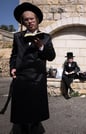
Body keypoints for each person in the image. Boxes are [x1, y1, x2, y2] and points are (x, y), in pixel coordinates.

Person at [9, 2, 56, 133]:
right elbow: (14, 55)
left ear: (37, 20)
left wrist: (41, 47)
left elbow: (51, 56)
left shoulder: (46, 38)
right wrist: (12, 67)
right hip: (21, 79)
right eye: (26, 19)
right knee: (21, 114)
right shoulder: (17, 37)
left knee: (36, 114)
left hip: (37, 79)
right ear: (23, 22)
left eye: (32, 18)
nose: (29, 21)